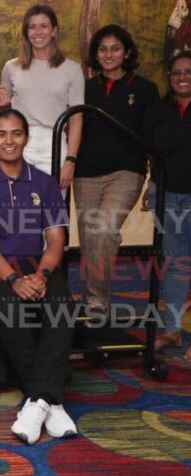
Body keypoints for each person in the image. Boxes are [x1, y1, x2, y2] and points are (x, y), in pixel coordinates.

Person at [0, 109, 77, 445]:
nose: (8, 141)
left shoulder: (45, 183)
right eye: (1, 134)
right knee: (7, 304)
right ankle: (49, 400)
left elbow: (56, 241)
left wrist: (41, 274)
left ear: (26, 138)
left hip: (34, 262)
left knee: (61, 306)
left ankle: (37, 401)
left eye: (16, 134)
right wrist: (14, 280)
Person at [74, 25, 158, 312]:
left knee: (105, 230)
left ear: (127, 52)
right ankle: (93, 299)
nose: (108, 54)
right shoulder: (84, 88)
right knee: (89, 240)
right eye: (102, 49)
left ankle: (97, 304)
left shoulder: (146, 89)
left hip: (126, 172)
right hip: (86, 173)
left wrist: (154, 180)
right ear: (95, 54)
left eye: (115, 48)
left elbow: (154, 137)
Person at [0, 5, 84, 183]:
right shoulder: (11, 67)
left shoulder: (72, 70)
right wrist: (1, 95)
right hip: (19, 142)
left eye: (43, 26)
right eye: (32, 27)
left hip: (54, 143)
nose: (38, 32)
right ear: (26, 32)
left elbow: (76, 120)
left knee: (52, 207)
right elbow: (2, 106)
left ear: (54, 31)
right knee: (16, 206)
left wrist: (70, 161)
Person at [142, 51, 191, 355]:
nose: (183, 78)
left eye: (188, 72)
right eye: (176, 73)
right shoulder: (159, 110)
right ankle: (172, 331)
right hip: (167, 196)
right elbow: (150, 151)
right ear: (169, 77)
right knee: (176, 264)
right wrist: (151, 184)